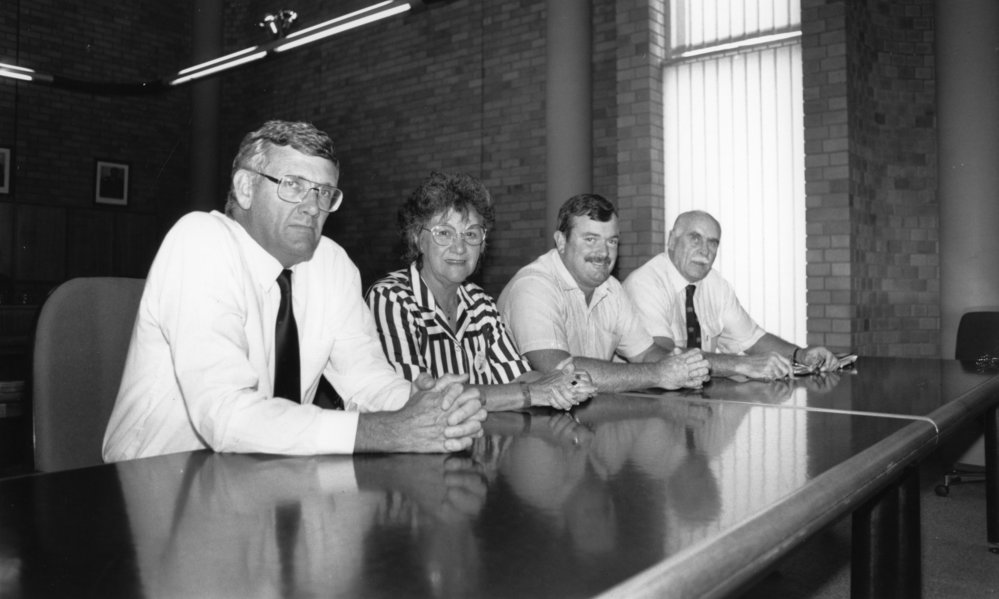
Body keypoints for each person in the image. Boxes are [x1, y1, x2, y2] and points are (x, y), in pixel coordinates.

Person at [102, 121, 485, 462]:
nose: (312, 206)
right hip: (157, 485)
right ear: (246, 187)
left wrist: (431, 408)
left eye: (323, 192)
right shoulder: (200, 240)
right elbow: (225, 414)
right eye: (293, 186)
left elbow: (366, 379)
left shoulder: (331, 263)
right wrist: (387, 429)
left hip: (272, 472)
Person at [366, 171, 597, 411]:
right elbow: (418, 400)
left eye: (471, 234)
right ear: (417, 238)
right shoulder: (391, 299)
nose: (459, 247)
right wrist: (529, 394)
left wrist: (567, 382)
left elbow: (518, 376)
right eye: (444, 233)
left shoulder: (480, 304)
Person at [497, 193, 710, 392]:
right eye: (590, 239)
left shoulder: (611, 289)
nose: (604, 253)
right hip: (519, 422)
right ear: (561, 242)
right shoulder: (534, 286)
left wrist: (682, 367)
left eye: (612, 241)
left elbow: (645, 353)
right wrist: (658, 374)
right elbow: (559, 371)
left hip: (579, 417)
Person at [623, 209, 839, 380]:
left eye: (713, 243)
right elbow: (662, 356)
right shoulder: (646, 283)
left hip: (695, 399)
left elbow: (753, 338)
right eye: (695, 238)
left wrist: (800, 355)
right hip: (644, 404)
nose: (705, 250)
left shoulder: (715, 284)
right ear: (672, 240)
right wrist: (740, 364)